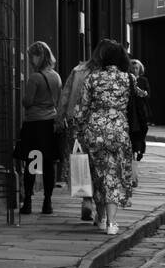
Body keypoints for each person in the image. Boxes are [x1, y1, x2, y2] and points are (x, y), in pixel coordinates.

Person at [73, 39, 135, 234]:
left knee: (98, 175)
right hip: (119, 131)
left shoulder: (92, 78)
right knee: (114, 176)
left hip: (95, 132)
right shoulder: (128, 79)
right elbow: (140, 101)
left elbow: (81, 109)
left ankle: (100, 217)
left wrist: (78, 130)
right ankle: (111, 222)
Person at [56, 46, 100, 222]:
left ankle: (86, 201)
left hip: (77, 124)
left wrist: (60, 118)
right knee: (99, 163)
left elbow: (65, 95)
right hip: (99, 123)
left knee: (81, 161)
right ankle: (99, 203)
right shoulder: (105, 74)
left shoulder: (78, 70)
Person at [18, 41, 62, 215]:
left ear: (38, 56)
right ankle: (47, 202)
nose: (30, 60)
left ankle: (27, 201)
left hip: (35, 125)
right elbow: (58, 99)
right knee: (49, 164)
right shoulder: (56, 76)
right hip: (50, 124)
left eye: (31, 57)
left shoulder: (35, 78)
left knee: (32, 164)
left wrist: (26, 100)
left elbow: (27, 102)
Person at [128, 58, 152, 193]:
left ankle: (140, 149)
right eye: (132, 68)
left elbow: (148, 95)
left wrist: (144, 94)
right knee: (133, 139)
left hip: (141, 113)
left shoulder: (143, 81)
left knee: (141, 133)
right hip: (132, 114)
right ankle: (132, 172)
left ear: (140, 69)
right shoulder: (128, 80)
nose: (134, 70)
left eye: (136, 68)